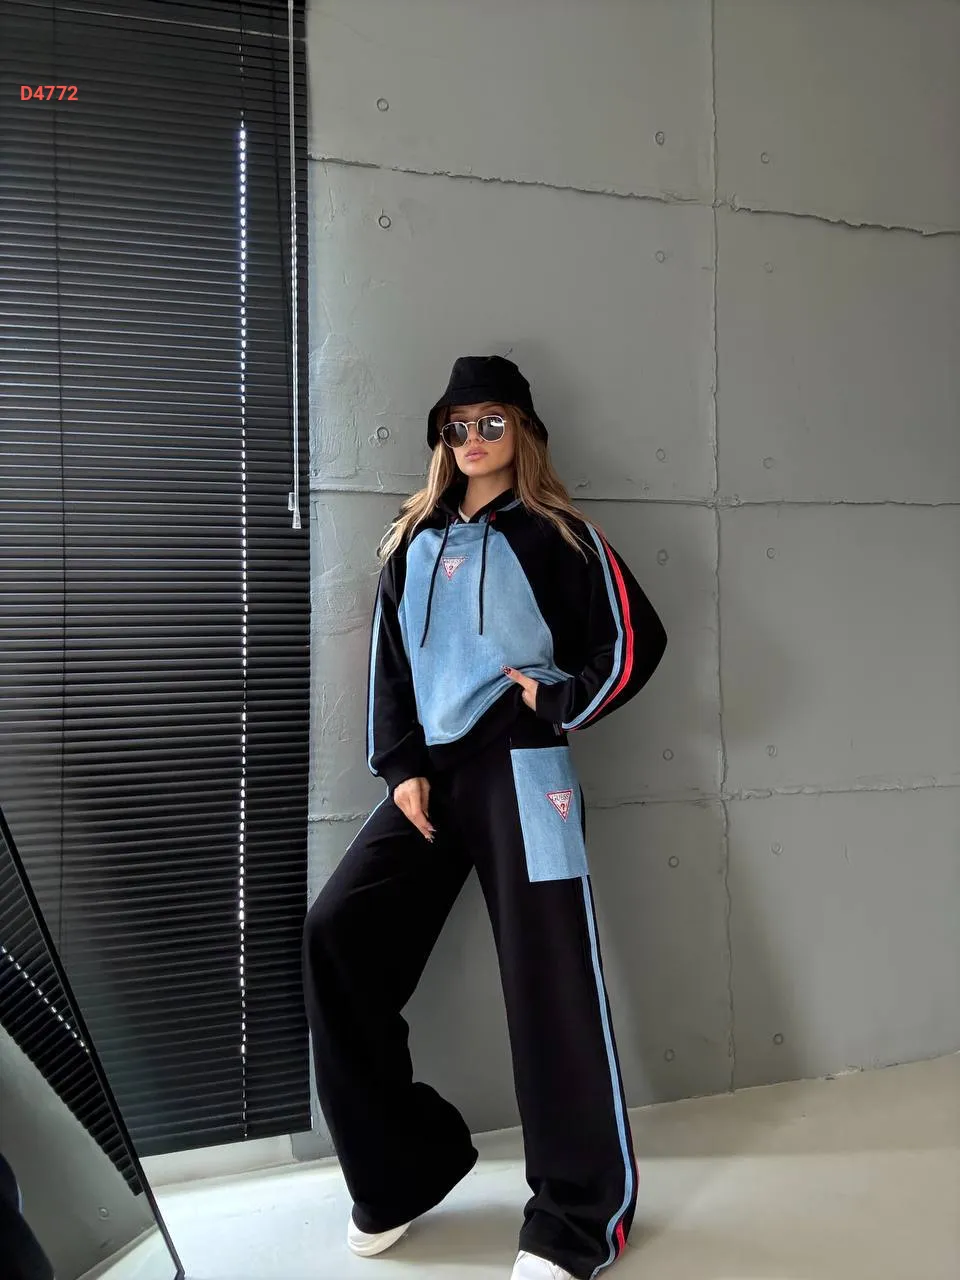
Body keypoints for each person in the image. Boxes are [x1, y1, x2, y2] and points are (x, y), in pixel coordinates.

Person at [302, 355, 667, 1280]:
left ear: (523, 431)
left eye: (490, 423)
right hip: (432, 784)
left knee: (550, 982)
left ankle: (580, 1218)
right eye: (457, 426)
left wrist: (560, 701)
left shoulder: (558, 534)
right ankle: (403, 1170)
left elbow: (634, 639)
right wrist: (400, 768)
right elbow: (390, 665)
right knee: (337, 935)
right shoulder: (412, 538)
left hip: (524, 771)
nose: (472, 440)